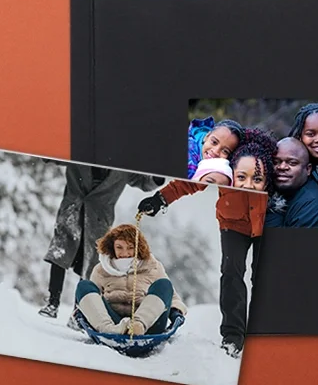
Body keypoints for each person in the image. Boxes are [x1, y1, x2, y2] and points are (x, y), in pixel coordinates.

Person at [137, 128, 274, 358]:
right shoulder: (225, 164)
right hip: (233, 221)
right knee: (231, 273)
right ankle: (232, 337)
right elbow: (193, 182)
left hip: (265, 221)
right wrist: (161, 199)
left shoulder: (267, 165)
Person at [38, 163, 163, 319]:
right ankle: (52, 302)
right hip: (73, 211)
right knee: (60, 253)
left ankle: (78, 312)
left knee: (89, 266)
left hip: (98, 220)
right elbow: (54, 156)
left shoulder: (123, 166)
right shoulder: (79, 153)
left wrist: (159, 175)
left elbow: (144, 182)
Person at [75, 223, 188, 335]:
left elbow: (171, 297)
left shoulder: (152, 266)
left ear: (138, 248)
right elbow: (93, 300)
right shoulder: (101, 269)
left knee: (164, 284)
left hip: (149, 325)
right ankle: (108, 330)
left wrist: (175, 312)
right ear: (111, 247)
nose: (124, 253)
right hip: (113, 322)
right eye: (119, 247)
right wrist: (83, 313)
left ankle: (138, 326)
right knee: (84, 286)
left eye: (130, 248)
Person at [268, 137, 318, 228]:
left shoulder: (314, 206)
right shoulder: (279, 192)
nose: (282, 167)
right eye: (275, 162)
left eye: (292, 163)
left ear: (308, 169)